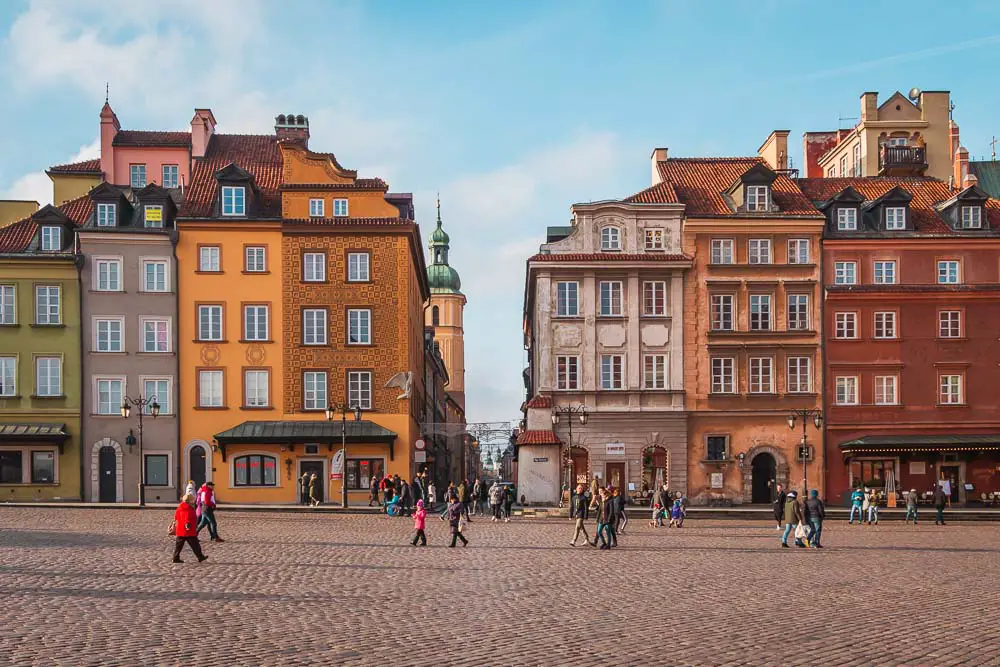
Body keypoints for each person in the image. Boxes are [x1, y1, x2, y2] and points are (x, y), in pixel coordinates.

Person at [172, 493, 207, 563]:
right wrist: (187, 525)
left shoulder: (180, 507)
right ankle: (200, 557)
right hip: (188, 530)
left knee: (178, 546)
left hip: (180, 530)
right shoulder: (188, 508)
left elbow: (176, 517)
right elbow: (187, 518)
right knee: (195, 545)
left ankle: (175, 558)